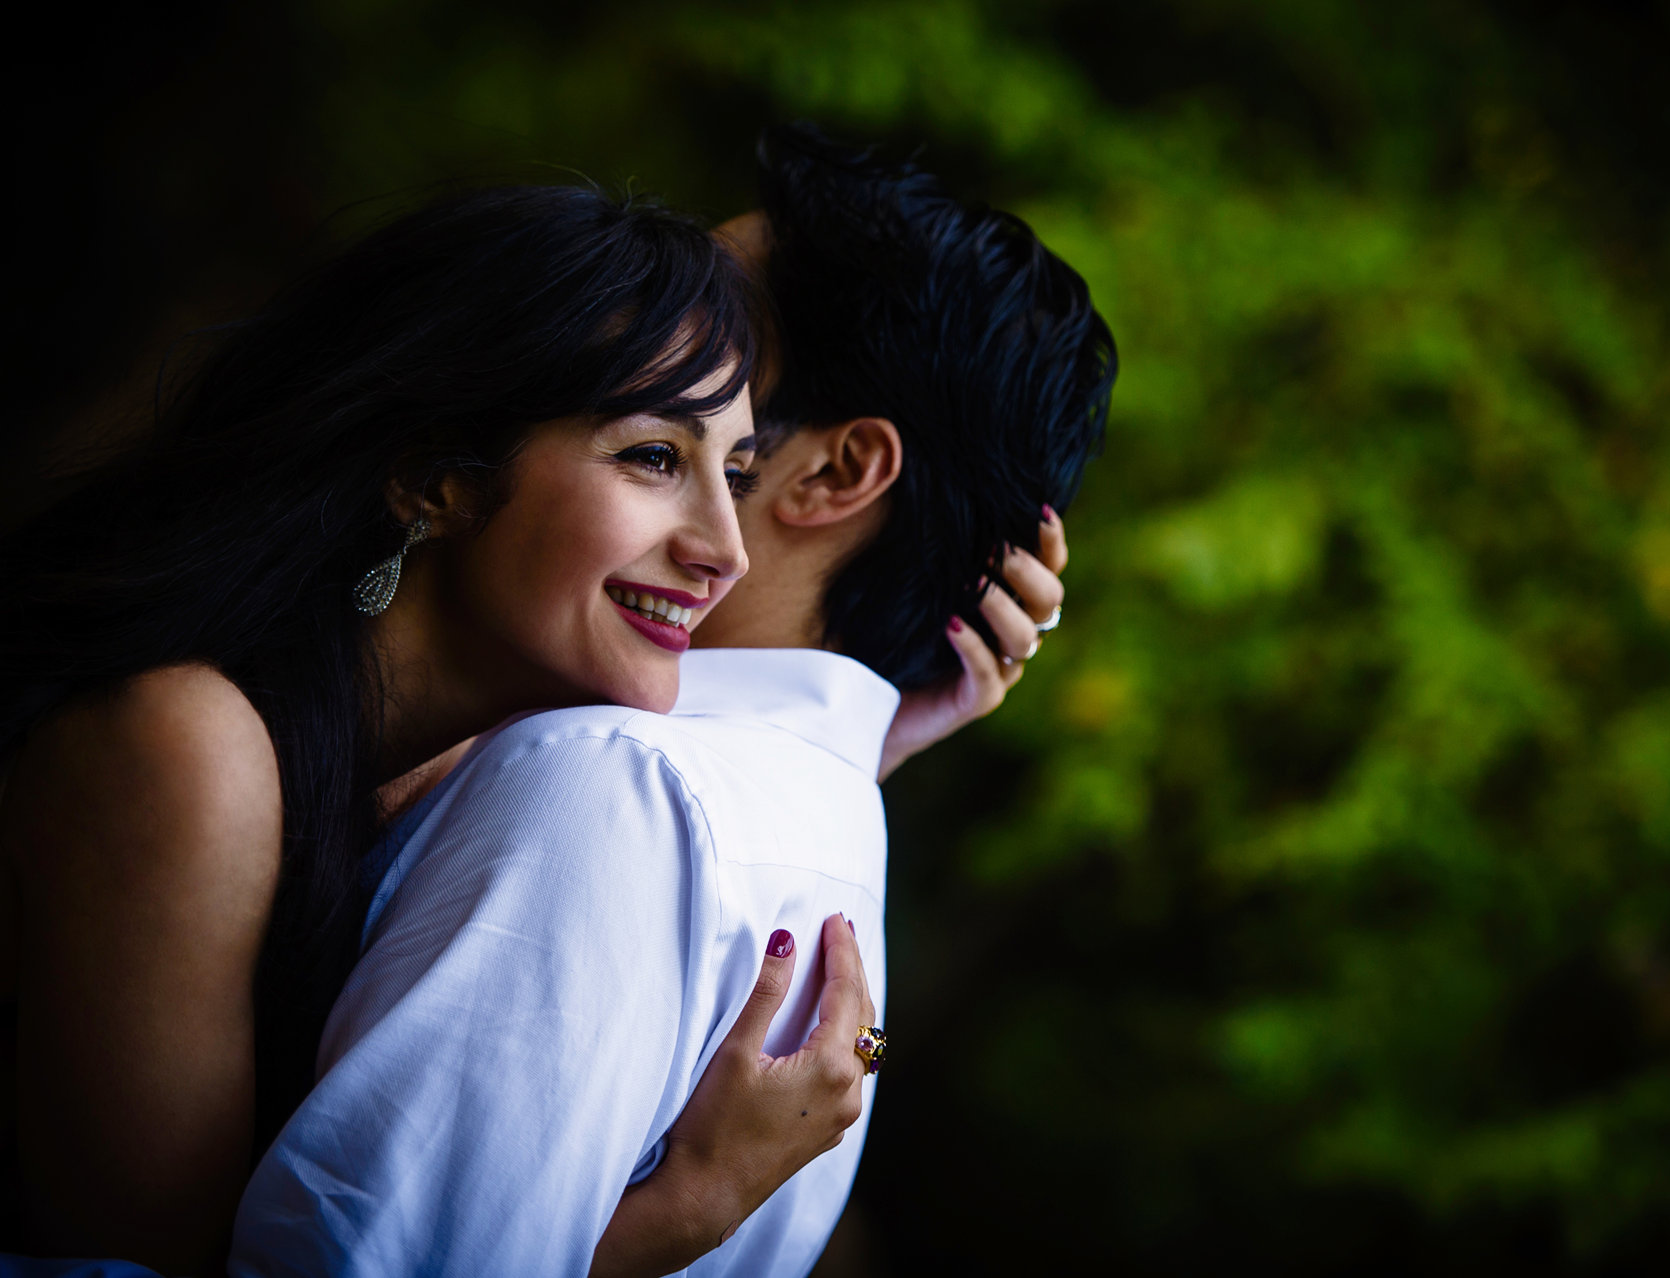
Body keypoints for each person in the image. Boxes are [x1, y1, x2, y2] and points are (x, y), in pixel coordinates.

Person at [0, 184, 1048, 1275]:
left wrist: (852, 743)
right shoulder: (184, 746)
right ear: (441, 479)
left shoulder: (432, 770)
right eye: (653, 458)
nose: (725, 549)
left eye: (736, 474)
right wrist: (688, 1207)